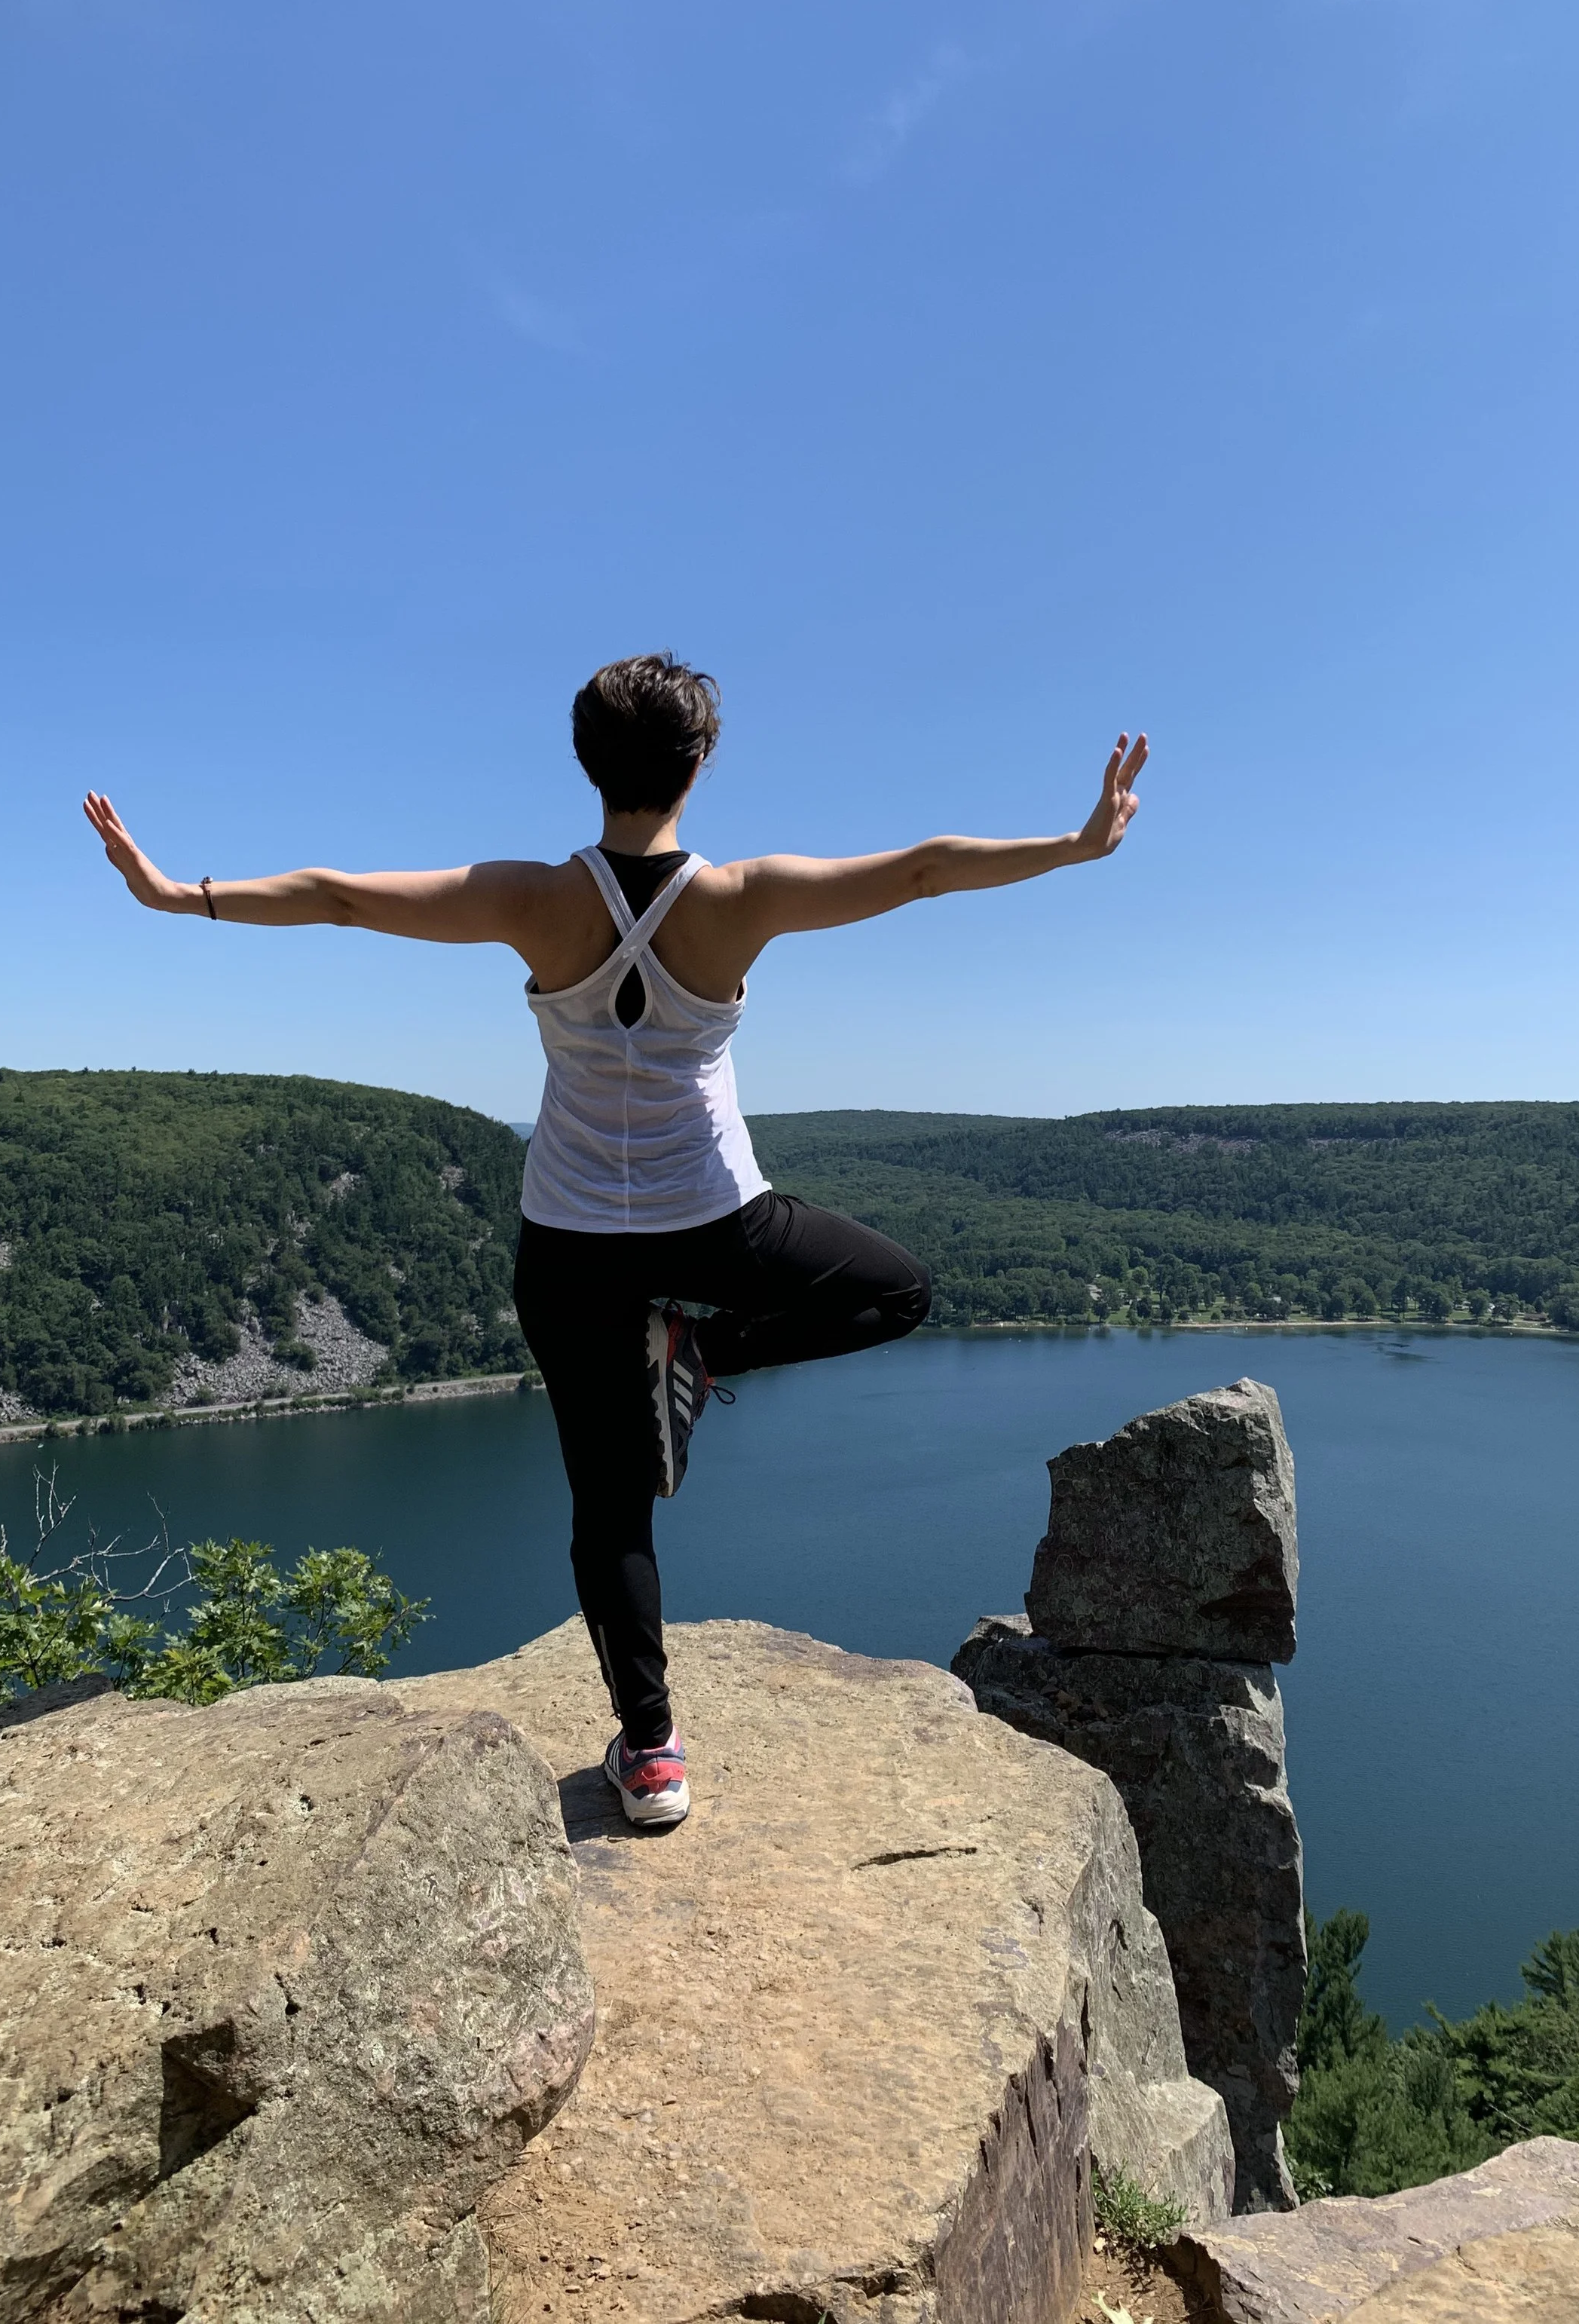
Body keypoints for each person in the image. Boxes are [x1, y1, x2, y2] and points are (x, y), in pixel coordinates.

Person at [84, 656, 1146, 1829]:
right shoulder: (743, 895)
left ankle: (651, 1755)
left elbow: (341, 895)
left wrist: (180, 894)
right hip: (719, 1228)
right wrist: (1078, 843)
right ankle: (694, 1354)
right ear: (703, 760)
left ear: (586, 762)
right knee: (899, 1293)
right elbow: (927, 872)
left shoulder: (531, 899)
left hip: (571, 1244)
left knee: (608, 1509)